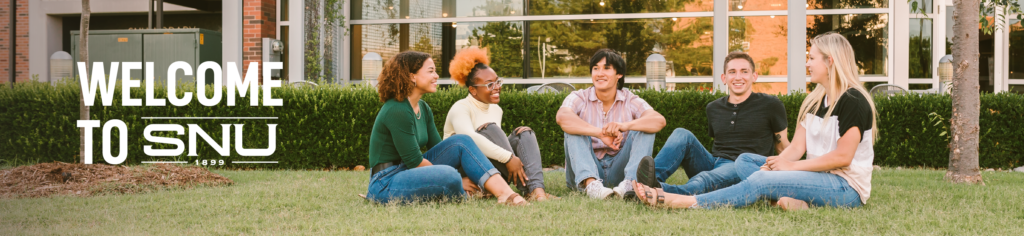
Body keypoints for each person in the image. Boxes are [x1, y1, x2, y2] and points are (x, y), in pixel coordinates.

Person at [633, 32, 878, 210]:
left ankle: (685, 200)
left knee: (760, 179)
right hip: (816, 177)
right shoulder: (814, 101)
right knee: (747, 161)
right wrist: (776, 164)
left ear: (830, 61)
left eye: (812, 58)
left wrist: (788, 168)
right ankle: (784, 200)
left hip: (845, 187)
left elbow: (842, 158)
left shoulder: (853, 100)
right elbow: (795, 148)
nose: (807, 63)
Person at [365, 51, 528, 206]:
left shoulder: (423, 107)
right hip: (385, 182)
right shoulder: (397, 109)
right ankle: (466, 191)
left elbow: (442, 148)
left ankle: (505, 193)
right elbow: (415, 162)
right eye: (430, 71)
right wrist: (457, 179)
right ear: (411, 76)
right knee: (449, 175)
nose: (436, 76)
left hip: (407, 171)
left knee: (461, 141)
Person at [634, 52, 790, 197]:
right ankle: (649, 181)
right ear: (724, 78)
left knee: (704, 179)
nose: (738, 77)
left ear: (754, 76)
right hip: (716, 163)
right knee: (682, 134)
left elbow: (782, 147)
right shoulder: (713, 108)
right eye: (732, 72)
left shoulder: (771, 105)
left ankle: (659, 191)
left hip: (745, 167)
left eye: (744, 71)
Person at [442, 47, 559, 201]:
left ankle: (536, 191)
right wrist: (509, 158)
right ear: (473, 90)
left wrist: (517, 142)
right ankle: (526, 189)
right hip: (466, 170)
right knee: (491, 129)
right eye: (489, 84)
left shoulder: (496, 109)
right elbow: (468, 138)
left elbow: (496, 142)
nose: (497, 87)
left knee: (524, 133)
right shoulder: (461, 107)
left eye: (497, 81)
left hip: (492, 168)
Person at [556, 49, 667, 199]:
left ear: (619, 74)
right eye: (596, 68)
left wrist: (625, 126)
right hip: (585, 170)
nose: (599, 73)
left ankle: (630, 183)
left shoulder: (629, 99)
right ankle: (591, 185)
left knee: (644, 127)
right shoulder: (579, 97)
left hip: (619, 170)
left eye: (606, 68)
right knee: (574, 127)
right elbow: (562, 117)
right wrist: (599, 133)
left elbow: (658, 120)